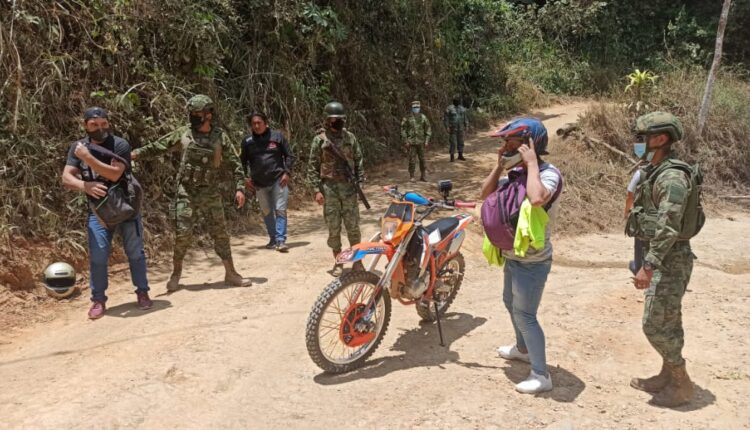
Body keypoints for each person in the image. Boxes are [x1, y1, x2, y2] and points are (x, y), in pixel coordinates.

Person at [479, 117, 562, 394]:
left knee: (526, 314)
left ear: (530, 145)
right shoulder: (513, 176)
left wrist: (532, 163)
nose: (506, 147)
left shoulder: (548, 174)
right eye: (504, 144)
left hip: (533, 261)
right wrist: (498, 164)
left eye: (511, 143)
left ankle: (541, 374)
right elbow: (485, 193)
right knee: (508, 301)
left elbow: (537, 198)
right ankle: (523, 348)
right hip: (512, 255)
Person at [132, 95, 247, 291]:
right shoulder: (183, 134)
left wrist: (240, 188)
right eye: (192, 114)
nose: (194, 117)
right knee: (182, 234)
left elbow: (235, 164)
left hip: (210, 191)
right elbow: (158, 147)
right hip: (186, 192)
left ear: (209, 115)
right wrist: (135, 153)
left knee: (220, 233)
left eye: (198, 114)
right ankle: (176, 274)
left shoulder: (220, 137)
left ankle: (231, 273)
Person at [628, 112, 696, 407]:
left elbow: (669, 225)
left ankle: (681, 382)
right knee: (669, 319)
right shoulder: (655, 170)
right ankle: (666, 374)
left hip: (670, 259)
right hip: (663, 255)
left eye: (643, 138)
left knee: (654, 324)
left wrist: (649, 264)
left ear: (661, 139)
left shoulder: (672, 177)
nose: (638, 143)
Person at [61, 107, 152, 319]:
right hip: (99, 211)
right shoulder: (77, 147)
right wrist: (85, 186)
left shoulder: (119, 145)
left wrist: (87, 157)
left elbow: (114, 174)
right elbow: (66, 178)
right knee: (99, 255)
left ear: (108, 124)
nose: (100, 129)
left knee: (135, 252)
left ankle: (142, 292)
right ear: (85, 125)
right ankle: (98, 300)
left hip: (127, 207)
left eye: (103, 124)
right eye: (94, 125)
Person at [307, 101, 365, 277]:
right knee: (334, 228)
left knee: (353, 227)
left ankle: (357, 261)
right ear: (327, 120)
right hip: (329, 189)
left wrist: (360, 183)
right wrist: (316, 190)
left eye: (339, 119)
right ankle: (339, 261)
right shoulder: (320, 140)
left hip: (349, 189)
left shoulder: (350, 138)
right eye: (333, 119)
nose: (337, 122)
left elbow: (359, 160)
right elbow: (312, 166)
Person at [240, 112, 295, 252]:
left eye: (259, 123)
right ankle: (273, 239)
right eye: (254, 124)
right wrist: (245, 178)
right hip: (259, 183)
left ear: (265, 123)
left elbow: (289, 156)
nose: (257, 126)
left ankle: (281, 240)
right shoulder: (247, 142)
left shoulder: (277, 137)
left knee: (280, 209)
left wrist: (286, 173)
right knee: (267, 211)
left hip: (278, 180)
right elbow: (242, 162)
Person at [400, 100, 432, 182]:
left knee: (422, 160)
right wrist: (405, 141)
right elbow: (403, 130)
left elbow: (428, 129)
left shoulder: (423, 117)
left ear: (420, 107)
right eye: (415, 107)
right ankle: (412, 176)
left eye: (417, 107)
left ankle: (423, 176)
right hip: (411, 143)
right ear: (412, 108)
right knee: (412, 160)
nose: (416, 109)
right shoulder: (407, 118)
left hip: (421, 142)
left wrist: (427, 141)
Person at [625, 169, 644, 275]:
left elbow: (630, 195)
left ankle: (638, 267)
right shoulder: (666, 172)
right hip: (663, 215)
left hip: (643, 216)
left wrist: (626, 212)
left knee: (639, 243)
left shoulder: (640, 173)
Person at [443, 95, 468, 162]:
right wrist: (447, 126)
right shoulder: (449, 108)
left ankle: (460, 155)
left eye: (458, 100)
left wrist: (466, 126)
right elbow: (446, 118)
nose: (457, 101)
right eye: (455, 100)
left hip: (461, 128)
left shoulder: (462, 109)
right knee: (453, 142)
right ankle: (452, 156)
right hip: (452, 128)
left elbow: (465, 118)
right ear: (453, 100)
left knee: (461, 142)